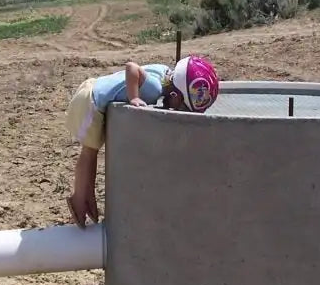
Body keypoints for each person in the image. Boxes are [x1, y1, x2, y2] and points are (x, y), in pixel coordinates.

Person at [64, 55, 220, 227]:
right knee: (88, 154)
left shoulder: (164, 73)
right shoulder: (154, 88)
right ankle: (79, 199)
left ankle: (87, 197)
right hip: (91, 102)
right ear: (176, 94)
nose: (179, 110)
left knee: (91, 153)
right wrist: (134, 97)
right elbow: (131, 67)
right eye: (182, 107)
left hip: (92, 91)